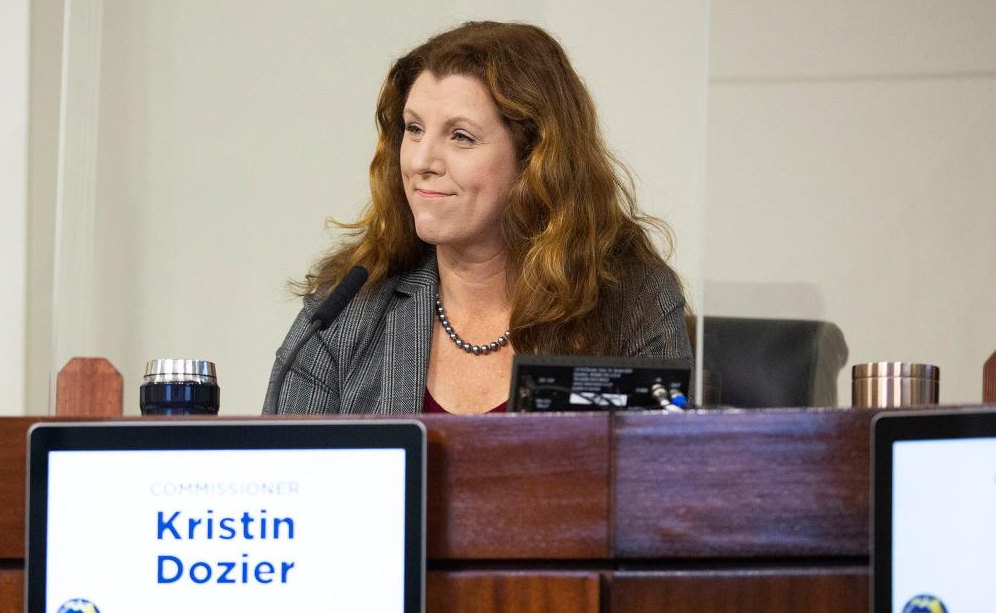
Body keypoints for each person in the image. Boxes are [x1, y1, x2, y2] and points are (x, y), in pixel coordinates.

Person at [263, 21, 690, 415]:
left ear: (535, 160)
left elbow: (666, 482)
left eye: (461, 137)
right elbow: (286, 477)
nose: (420, 162)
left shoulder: (632, 302)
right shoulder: (346, 308)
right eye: (413, 129)